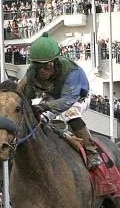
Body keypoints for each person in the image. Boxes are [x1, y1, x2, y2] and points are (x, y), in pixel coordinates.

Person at [20, 33, 101, 168]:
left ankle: (92, 152)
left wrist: (45, 106)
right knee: (39, 116)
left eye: (47, 66)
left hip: (78, 96)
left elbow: (67, 100)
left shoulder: (71, 72)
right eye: (39, 67)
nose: (43, 71)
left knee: (70, 113)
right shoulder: (32, 72)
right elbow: (26, 96)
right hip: (54, 96)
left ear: (55, 62)